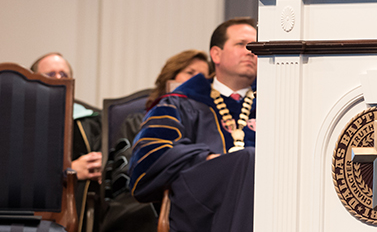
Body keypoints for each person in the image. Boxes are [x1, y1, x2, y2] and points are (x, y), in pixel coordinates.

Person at [129, 18, 258, 232]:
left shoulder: (276, 104)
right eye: (241, 44)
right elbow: (150, 154)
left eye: (255, 46)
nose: (250, 51)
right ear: (216, 54)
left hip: (267, 197)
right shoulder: (180, 102)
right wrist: (207, 159)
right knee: (249, 157)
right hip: (201, 204)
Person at [101, 50, 213, 232]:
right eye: (190, 73)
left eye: (204, 76)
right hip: (140, 201)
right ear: (170, 76)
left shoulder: (209, 121)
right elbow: (126, 177)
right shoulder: (136, 120)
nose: (197, 80)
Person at [31, 52, 103, 232]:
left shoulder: (90, 119)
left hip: (86, 200)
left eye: (64, 75)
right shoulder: (21, 118)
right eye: (50, 74)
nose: (58, 79)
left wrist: (103, 165)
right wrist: (67, 170)